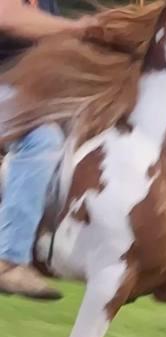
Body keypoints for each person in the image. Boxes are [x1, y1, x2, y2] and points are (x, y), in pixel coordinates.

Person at [0, 0, 94, 300]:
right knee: (40, 139)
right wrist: (79, 27)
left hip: (25, 91)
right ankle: (9, 262)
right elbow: (9, 16)